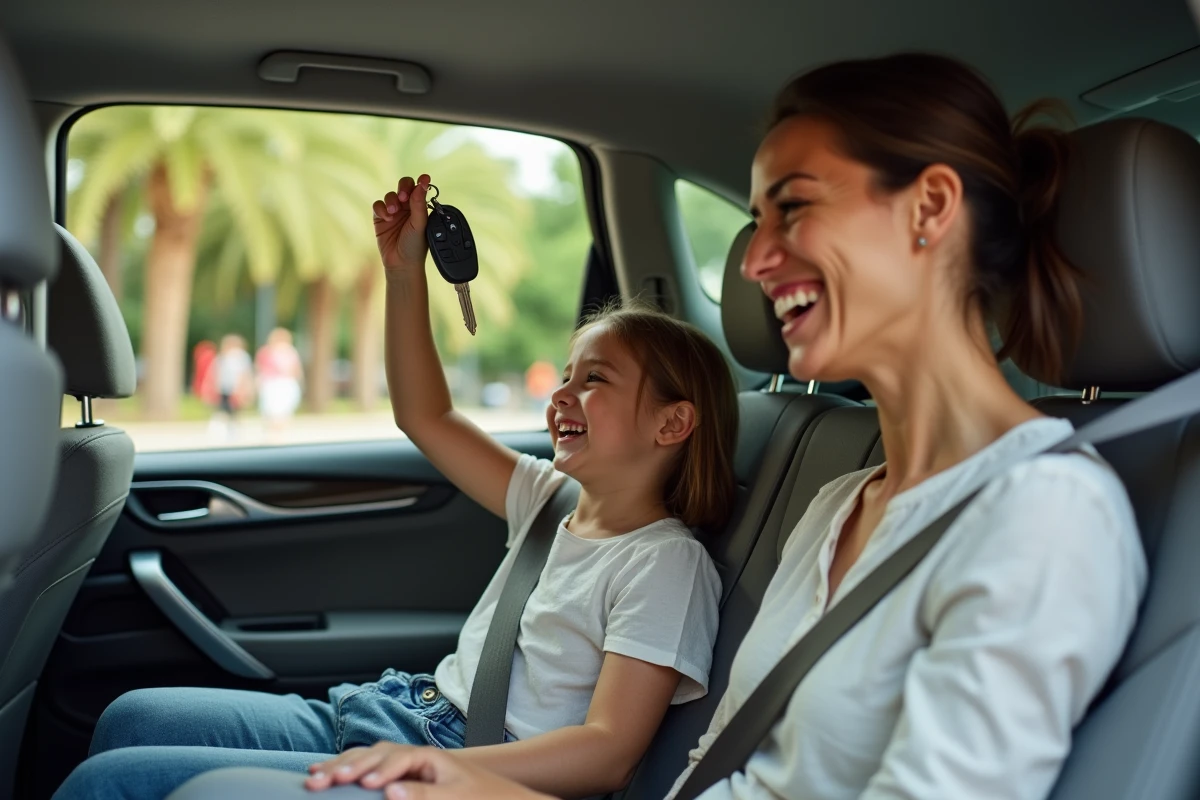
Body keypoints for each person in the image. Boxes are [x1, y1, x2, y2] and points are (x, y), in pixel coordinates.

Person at [261, 52, 1145, 800]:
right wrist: (463, 778)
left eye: (791, 208)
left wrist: (469, 775)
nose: (756, 260)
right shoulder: (841, 502)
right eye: (755, 219)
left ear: (929, 208)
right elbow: (714, 770)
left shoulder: (1046, 518)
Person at [51, 173, 740, 800]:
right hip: (396, 710)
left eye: (595, 379)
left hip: (466, 765)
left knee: (111, 784)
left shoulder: (664, 564)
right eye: (565, 373)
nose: (561, 393)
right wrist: (403, 273)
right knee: (131, 715)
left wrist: (443, 770)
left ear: (672, 422)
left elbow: (607, 754)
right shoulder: (549, 500)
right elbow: (425, 415)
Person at [255, 327, 304, 438]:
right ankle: (275, 434)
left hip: (283, 385)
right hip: (272, 385)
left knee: (281, 412)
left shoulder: (289, 352)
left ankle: (278, 435)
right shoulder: (267, 352)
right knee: (273, 412)